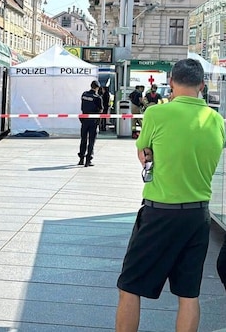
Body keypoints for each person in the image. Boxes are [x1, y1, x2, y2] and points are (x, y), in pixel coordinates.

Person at [115, 58, 225, 332]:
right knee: (189, 295)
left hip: (160, 212)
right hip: (198, 216)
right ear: (202, 85)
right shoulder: (217, 121)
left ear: (171, 83)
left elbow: (144, 153)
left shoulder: (156, 114)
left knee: (129, 287)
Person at [77, 80, 103, 167]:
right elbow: (101, 109)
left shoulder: (84, 94)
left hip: (84, 119)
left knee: (83, 139)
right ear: (97, 88)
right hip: (93, 121)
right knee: (91, 141)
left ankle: (81, 159)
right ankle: (88, 160)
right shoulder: (97, 97)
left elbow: (82, 106)